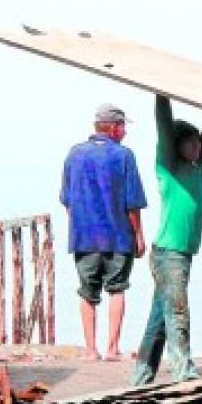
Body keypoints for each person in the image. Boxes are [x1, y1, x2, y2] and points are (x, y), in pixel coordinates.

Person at [132, 95, 202, 384]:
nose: (197, 146)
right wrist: (162, 95)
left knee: (159, 322)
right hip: (169, 254)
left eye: (198, 141)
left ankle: (141, 377)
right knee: (177, 312)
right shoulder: (169, 169)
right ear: (177, 145)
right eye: (190, 142)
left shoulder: (200, 168)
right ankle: (184, 373)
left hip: (181, 255)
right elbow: (163, 128)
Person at [60, 103, 146, 361]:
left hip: (84, 237)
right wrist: (139, 236)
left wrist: (80, 222)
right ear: (112, 128)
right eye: (122, 127)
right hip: (118, 236)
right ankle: (111, 349)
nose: (125, 132)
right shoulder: (124, 156)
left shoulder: (74, 154)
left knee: (87, 292)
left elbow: (66, 198)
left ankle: (90, 350)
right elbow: (132, 203)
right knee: (117, 289)